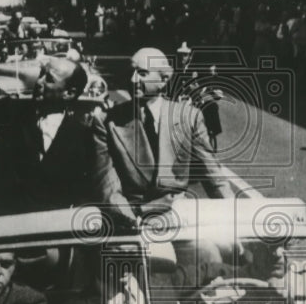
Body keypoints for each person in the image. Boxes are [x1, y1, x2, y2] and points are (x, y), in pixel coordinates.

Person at [93, 47, 234, 220]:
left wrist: (233, 216)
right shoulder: (107, 122)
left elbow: (213, 176)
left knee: (211, 248)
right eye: (131, 72)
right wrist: (128, 217)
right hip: (131, 220)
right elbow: (107, 184)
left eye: (142, 73)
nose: (133, 79)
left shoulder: (188, 117)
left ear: (163, 80)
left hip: (177, 216)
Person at [0, 55, 103, 219]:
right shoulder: (11, 116)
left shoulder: (84, 135)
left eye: (49, 79)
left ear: (69, 93)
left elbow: (89, 191)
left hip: (52, 233)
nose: (39, 82)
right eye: (41, 75)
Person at [44, 248, 149, 304]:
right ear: (94, 258)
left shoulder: (146, 293)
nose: (126, 263)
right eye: (115, 254)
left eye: (131, 254)